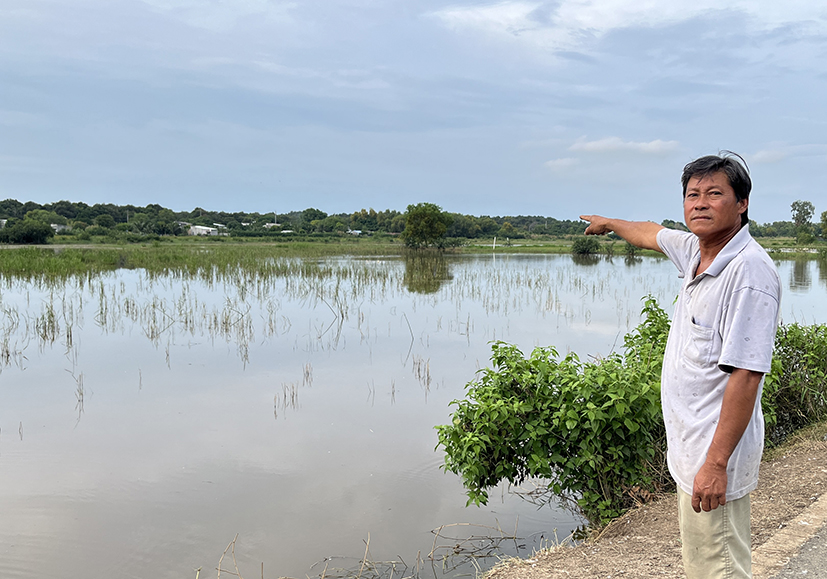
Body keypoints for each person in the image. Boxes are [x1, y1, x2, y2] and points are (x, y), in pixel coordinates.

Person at [580, 152, 781, 579]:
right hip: (693, 454)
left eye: (714, 194)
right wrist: (610, 223)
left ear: (742, 203)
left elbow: (746, 376)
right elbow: (650, 233)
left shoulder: (748, 273)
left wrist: (715, 464)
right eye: (693, 195)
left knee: (719, 569)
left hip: (713, 458)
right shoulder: (695, 251)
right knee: (704, 566)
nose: (700, 203)